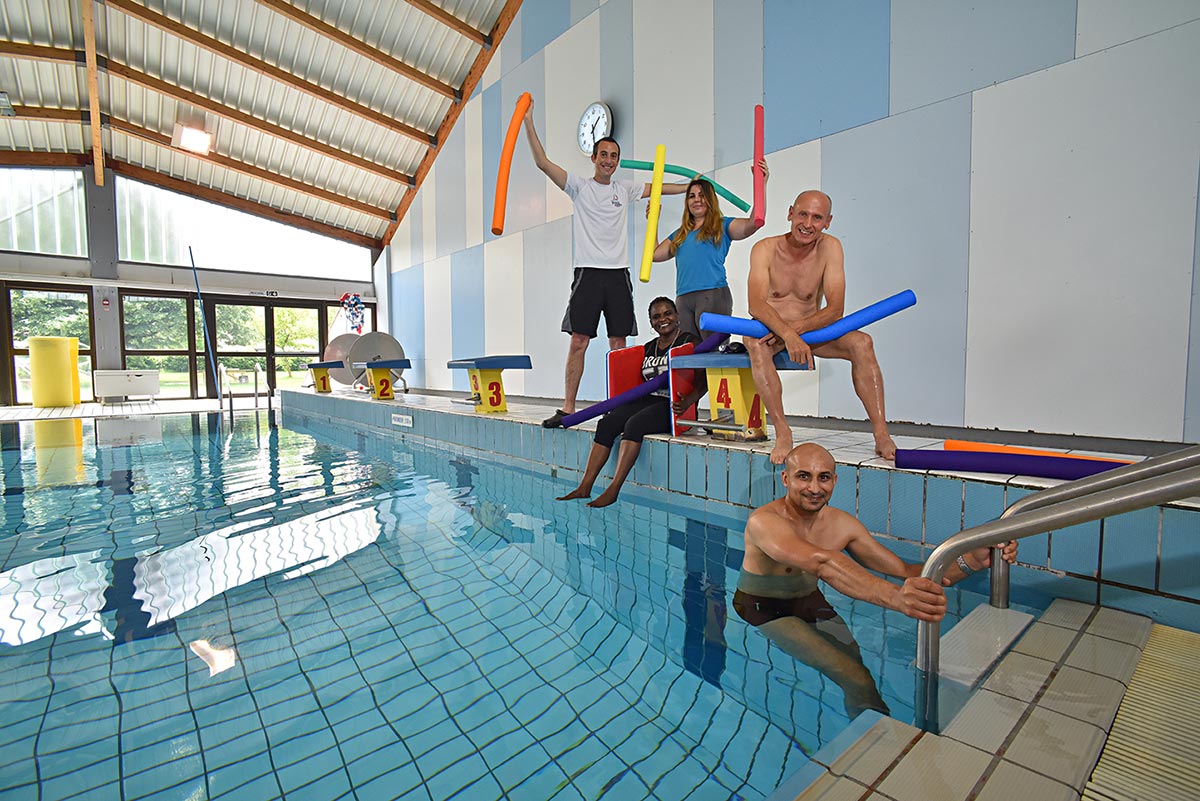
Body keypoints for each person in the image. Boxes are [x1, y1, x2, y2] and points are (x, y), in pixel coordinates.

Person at [735, 443, 1018, 717]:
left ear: (835, 480)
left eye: (823, 478)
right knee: (856, 678)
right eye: (803, 476)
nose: (814, 488)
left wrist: (970, 561)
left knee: (858, 668)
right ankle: (878, 749)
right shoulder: (765, 522)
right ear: (786, 479)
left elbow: (907, 570)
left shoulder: (841, 525)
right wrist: (896, 597)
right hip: (763, 606)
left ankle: (866, 727)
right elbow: (823, 562)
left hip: (808, 601)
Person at [522, 98, 689, 428]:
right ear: (594, 158)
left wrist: (692, 186)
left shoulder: (624, 189)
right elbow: (542, 162)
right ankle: (568, 406)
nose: (608, 161)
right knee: (579, 341)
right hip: (588, 273)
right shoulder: (579, 186)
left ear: (617, 161)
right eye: (603, 155)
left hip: (618, 276)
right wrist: (528, 121)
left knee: (618, 345)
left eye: (614, 156)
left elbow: (658, 188)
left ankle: (619, 405)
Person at [745, 190, 896, 463]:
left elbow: (835, 308)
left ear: (828, 221)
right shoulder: (765, 249)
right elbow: (756, 305)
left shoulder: (831, 248)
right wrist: (787, 334)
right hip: (768, 331)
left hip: (811, 331)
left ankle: (881, 434)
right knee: (754, 344)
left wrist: (798, 331)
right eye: (803, 214)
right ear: (790, 213)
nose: (808, 223)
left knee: (863, 342)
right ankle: (783, 432)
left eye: (817, 217)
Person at [557, 297, 704, 508]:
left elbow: (704, 379)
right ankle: (585, 486)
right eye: (656, 316)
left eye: (667, 313)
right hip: (648, 400)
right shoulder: (649, 347)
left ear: (677, 316)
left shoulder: (689, 342)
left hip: (674, 406)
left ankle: (614, 489)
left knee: (634, 424)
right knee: (607, 423)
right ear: (651, 322)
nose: (663, 319)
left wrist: (689, 401)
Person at [649, 164, 769, 339]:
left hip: (712, 294)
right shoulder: (681, 233)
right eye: (692, 196)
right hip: (683, 298)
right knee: (689, 352)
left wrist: (761, 184)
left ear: (710, 199)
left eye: (702, 195)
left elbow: (755, 222)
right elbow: (654, 255)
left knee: (714, 353)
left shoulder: (722, 225)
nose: (697, 200)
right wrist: (653, 220)